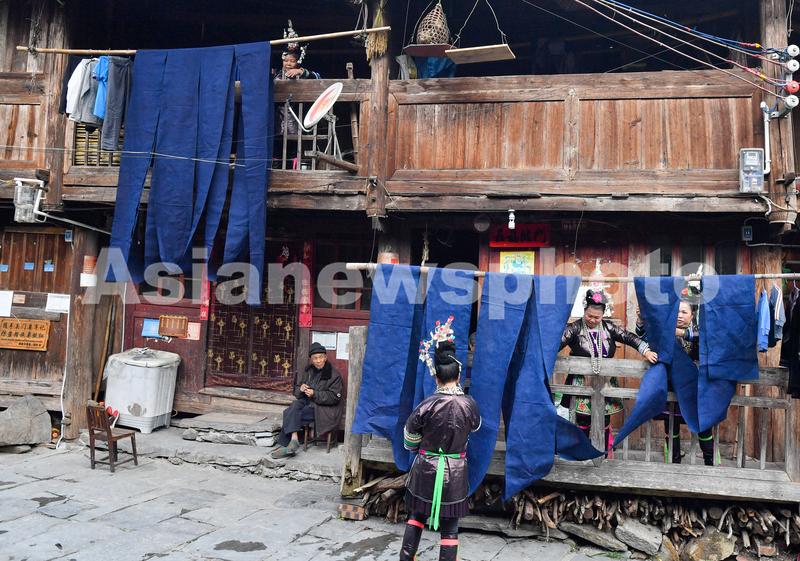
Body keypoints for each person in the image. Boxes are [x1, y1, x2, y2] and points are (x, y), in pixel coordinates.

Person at [400, 340, 481, 561]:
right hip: (455, 472)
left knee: (416, 516)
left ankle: (406, 558)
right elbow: (475, 427)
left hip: (425, 468)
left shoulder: (427, 404)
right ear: (458, 376)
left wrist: (420, 447)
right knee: (450, 526)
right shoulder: (469, 404)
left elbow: (409, 437)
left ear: (436, 377)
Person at [560, 289, 658, 451]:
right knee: (583, 418)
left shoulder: (609, 328)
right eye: (589, 316)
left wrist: (646, 350)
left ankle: (603, 452)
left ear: (603, 315)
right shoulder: (574, 328)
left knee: (604, 418)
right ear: (584, 311)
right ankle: (582, 452)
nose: (592, 320)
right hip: (582, 381)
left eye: (597, 317)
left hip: (605, 381)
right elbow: (557, 343)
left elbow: (629, 337)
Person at [636, 291, 715, 465]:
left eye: (684, 312)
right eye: (677, 311)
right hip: (672, 387)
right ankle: (674, 463)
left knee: (704, 426)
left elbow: (707, 338)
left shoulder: (699, 331)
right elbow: (643, 337)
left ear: (692, 315)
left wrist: (682, 333)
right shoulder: (666, 332)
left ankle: (710, 464)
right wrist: (641, 321)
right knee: (672, 426)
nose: (680, 315)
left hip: (696, 388)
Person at [271, 342, 343, 459]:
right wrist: (301, 388)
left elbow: (334, 397)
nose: (318, 361)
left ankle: (289, 444)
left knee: (291, 412)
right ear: (311, 360)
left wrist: (315, 394)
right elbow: (297, 391)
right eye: (315, 358)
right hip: (308, 403)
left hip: (323, 409)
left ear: (325, 358)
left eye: (320, 357)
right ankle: (294, 439)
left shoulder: (334, 375)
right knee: (294, 406)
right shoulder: (308, 371)